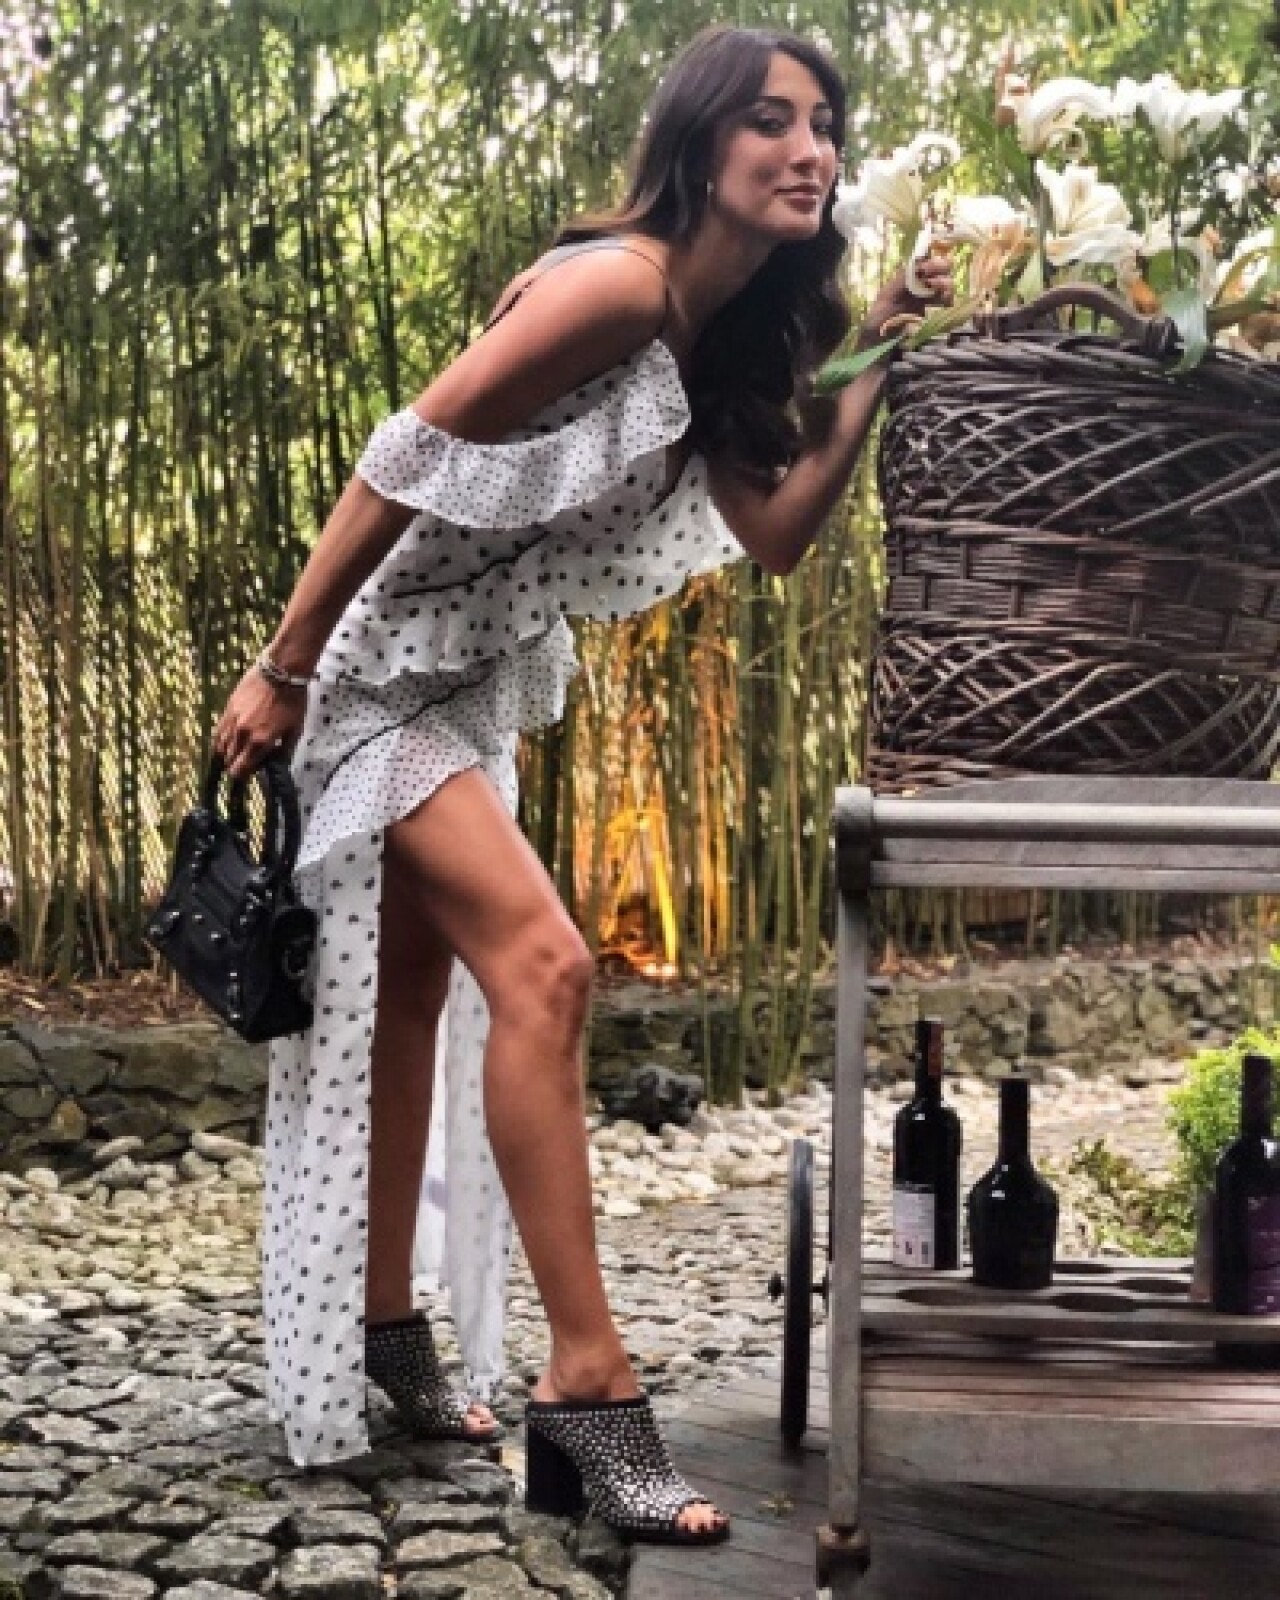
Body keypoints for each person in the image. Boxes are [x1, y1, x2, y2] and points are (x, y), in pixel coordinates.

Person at [212, 22, 951, 1545]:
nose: (809, 149)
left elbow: (779, 533)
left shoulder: (726, 335)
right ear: (699, 140)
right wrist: (284, 665)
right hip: (372, 671)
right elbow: (404, 449)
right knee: (546, 966)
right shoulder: (619, 286)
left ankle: (386, 1333)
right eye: (771, 121)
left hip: (460, 676)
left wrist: (874, 351)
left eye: (825, 124)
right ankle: (588, 1384)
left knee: (414, 995)